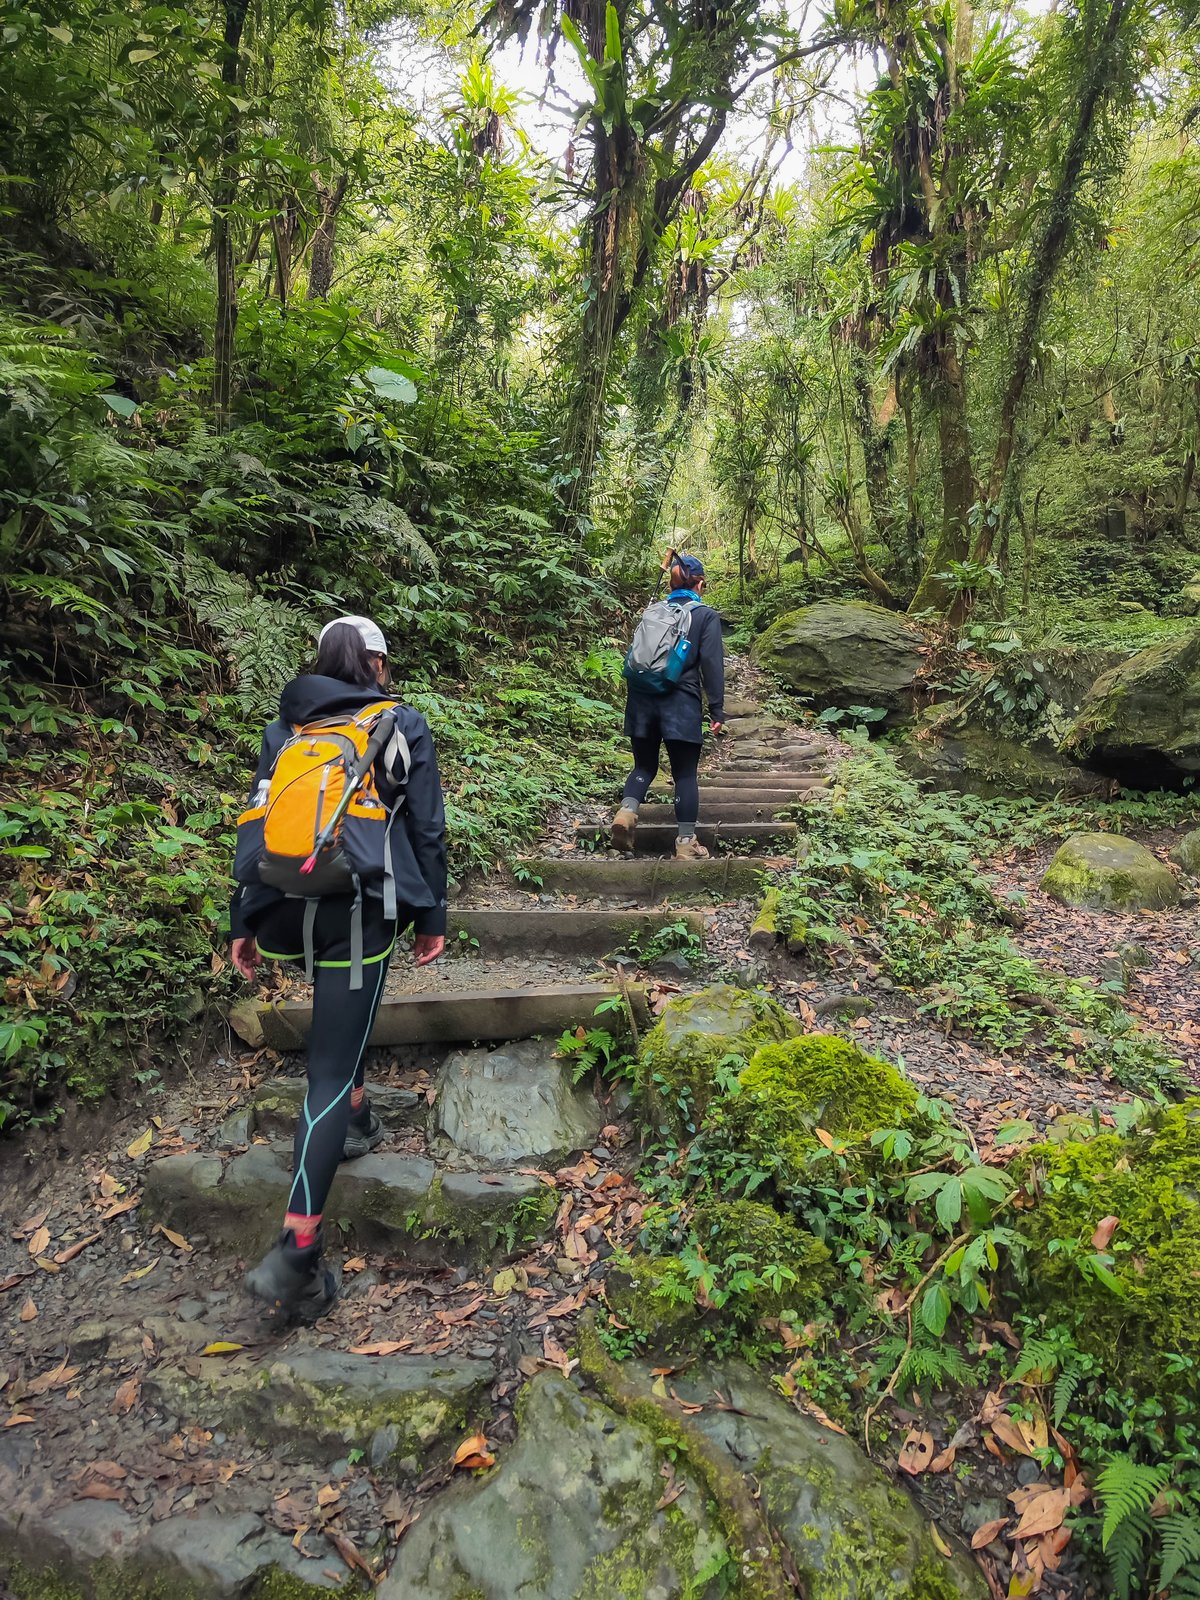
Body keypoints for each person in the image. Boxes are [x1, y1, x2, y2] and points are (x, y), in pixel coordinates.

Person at [229, 614, 447, 1319]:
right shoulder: (399, 723)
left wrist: (243, 920)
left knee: (336, 1042)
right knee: (323, 1072)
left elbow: (256, 820)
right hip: (357, 903)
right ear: (378, 665)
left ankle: (356, 1114)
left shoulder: (286, 731)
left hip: (289, 902)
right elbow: (425, 826)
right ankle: (297, 1253)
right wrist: (431, 915)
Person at [612, 550, 724, 859]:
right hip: (681, 701)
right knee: (685, 774)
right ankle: (686, 844)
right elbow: (712, 664)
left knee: (644, 766)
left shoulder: (654, 610)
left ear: (671, 584)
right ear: (699, 584)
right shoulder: (704, 615)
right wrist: (717, 710)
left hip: (642, 698)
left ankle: (626, 813)